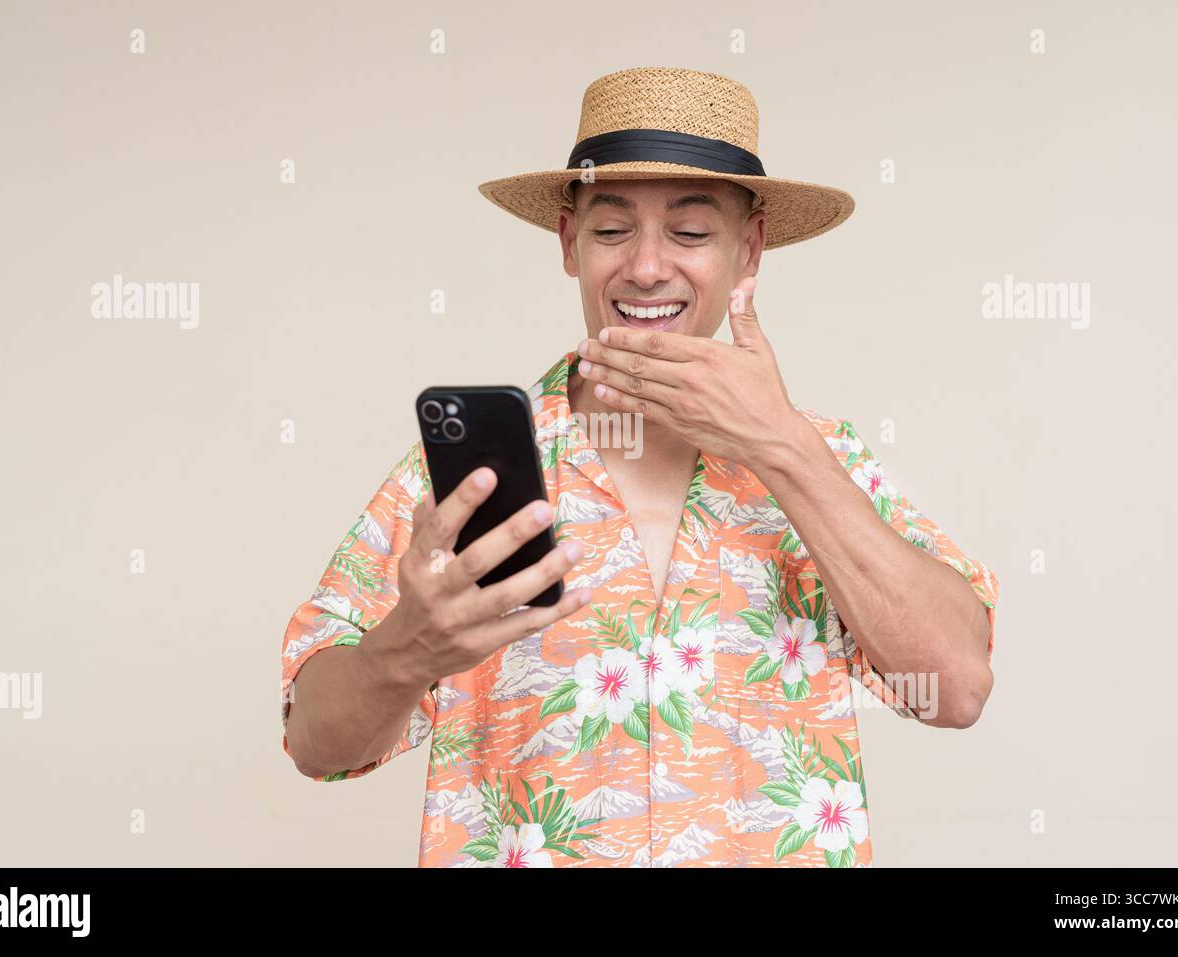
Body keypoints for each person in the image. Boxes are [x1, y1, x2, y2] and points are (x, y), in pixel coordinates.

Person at [279, 66, 999, 867]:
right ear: (568, 242)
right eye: (612, 230)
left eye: (690, 233)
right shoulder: (461, 478)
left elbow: (958, 685)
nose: (647, 268)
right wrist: (407, 649)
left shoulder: (819, 457)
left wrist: (783, 447)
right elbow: (314, 740)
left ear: (748, 248)